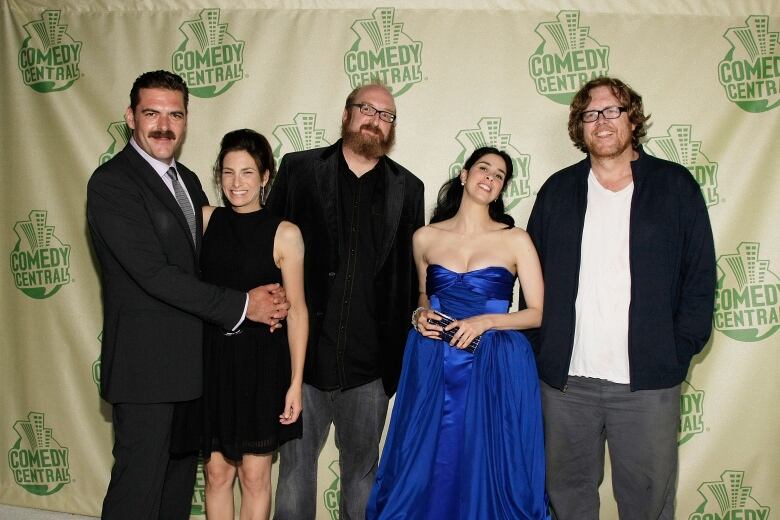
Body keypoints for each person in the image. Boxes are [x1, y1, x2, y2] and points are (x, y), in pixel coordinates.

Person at [87, 71, 288, 520]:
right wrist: (244, 306)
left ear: (185, 120)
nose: (163, 125)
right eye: (151, 113)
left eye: (174, 114)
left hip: (194, 370)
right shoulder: (113, 183)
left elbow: (211, 263)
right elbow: (154, 275)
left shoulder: (189, 181)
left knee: (176, 492)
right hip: (145, 373)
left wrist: (271, 298)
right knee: (137, 491)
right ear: (130, 117)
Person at [525, 76, 716, 519]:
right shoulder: (557, 191)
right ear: (580, 127)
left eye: (613, 110)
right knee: (567, 499)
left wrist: (677, 349)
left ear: (632, 119)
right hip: (566, 384)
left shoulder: (675, 186)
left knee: (648, 504)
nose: (602, 121)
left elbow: (700, 277)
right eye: (591, 114)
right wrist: (542, 350)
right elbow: (529, 281)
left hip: (647, 384)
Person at [267, 81, 425, 520]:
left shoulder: (408, 189)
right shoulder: (298, 170)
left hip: (369, 368)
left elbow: (413, 277)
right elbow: (268, 248)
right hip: (303, 361)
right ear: (346, 113)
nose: (375, 120)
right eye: (367, 109)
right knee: (295, 473)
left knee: (361, 479)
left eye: (386, 115)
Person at [366, 147, 549, 519]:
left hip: (494, 359)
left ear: (501, 189)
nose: (490, 178)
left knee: (490, 456)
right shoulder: (424, 237)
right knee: (425, 455)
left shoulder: (517, 240)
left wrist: (486, 321)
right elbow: (422, 295)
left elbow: (537, 314)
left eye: (499, 175)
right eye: (484, 168)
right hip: (433, 358)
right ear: (464, 175)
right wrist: (419, 313)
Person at [171, 129, 308, 520]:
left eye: (247, 173)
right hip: (211, 361)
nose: (236, 183)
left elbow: (296, 310)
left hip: (262, 365)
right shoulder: (204, 220)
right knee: (216, 473)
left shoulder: (285, 233)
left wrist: (295, 382)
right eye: (228, 172)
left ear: (266, 176)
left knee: (254, 475)